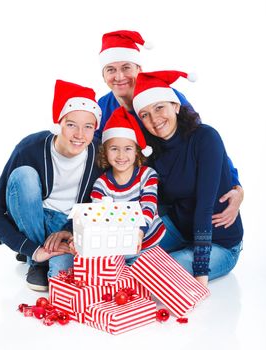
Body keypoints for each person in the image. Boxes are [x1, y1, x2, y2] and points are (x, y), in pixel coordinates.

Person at [96, 30, 244, 229]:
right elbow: (94, 154)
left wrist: (236, 185)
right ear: (103, 75)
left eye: (126, 67)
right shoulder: (102, 108)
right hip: (127, 197)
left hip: (171, 196)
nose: (119, 76)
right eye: (110, 70)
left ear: (139, 68)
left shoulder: (166, 95)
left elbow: (203, 143)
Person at [0, 80, 103, 291]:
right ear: (58, 124)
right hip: (34, 216)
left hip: (72, 225)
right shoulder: (30, 148)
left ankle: (44, 256)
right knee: (24, 176)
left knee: (61, 275)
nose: (79, 135)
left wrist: (76, 235)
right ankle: (36, 258)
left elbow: (105, 203)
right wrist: (32, 248)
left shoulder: (100, 153)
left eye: (88, 127)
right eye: (71, 124)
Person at [132, 70, 244, 287]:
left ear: (175, 106)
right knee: (127, 255)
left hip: (219, 243)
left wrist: (200, 271)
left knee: (154, 274)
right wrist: (137, 233)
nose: (154, 119)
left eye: (159, 107)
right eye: (145, 115)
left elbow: (204, 207)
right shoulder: (152, 150)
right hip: (179, 230)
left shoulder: (206, 138)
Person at [91, 106, 166, 261]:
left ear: (137, 151)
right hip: (119, 245)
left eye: (128, 149)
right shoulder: (101, 184)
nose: (121, 155)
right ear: (105, 152)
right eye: (114, 149)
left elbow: (149, 205)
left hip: (152, 241)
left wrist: (139, 232)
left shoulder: (147, 175)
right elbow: (99, 215)